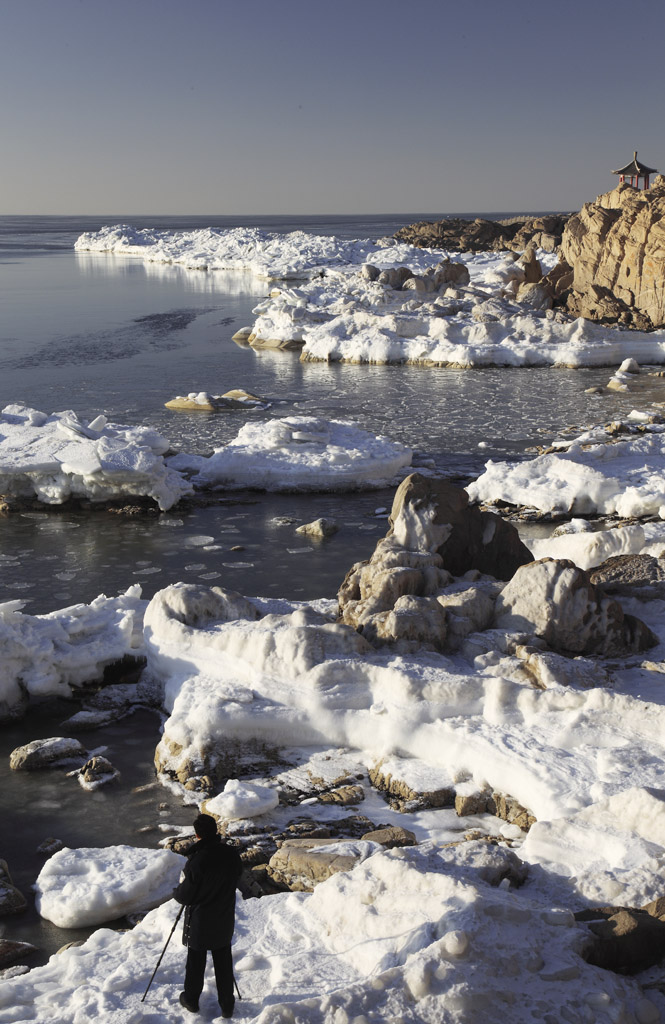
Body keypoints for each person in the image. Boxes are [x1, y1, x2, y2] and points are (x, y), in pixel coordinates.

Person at [173, 813, 243, 1018]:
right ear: (216, 831)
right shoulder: (231, 855)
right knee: (223, 960)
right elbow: (237, 875)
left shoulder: (197, 861)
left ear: (197, 835)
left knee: (196, 961)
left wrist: (175, 891)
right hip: (224, 916)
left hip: (201, 921)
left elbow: (186, 895)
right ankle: (227, 1005)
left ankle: (192, 1000)